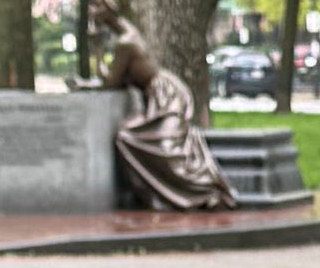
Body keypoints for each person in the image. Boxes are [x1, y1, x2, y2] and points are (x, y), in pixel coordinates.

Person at [101, 12, 235, 215]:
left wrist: (95, 51)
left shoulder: (125, 42)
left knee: (156, 144)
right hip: (159, 95)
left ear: (108, 8)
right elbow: (116, 80)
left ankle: (206, 190)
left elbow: (110, 82)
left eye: (95, 5)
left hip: (167, 96)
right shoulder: (128, 34)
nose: (90, 10)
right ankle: (168, 193)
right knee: (131, 138)